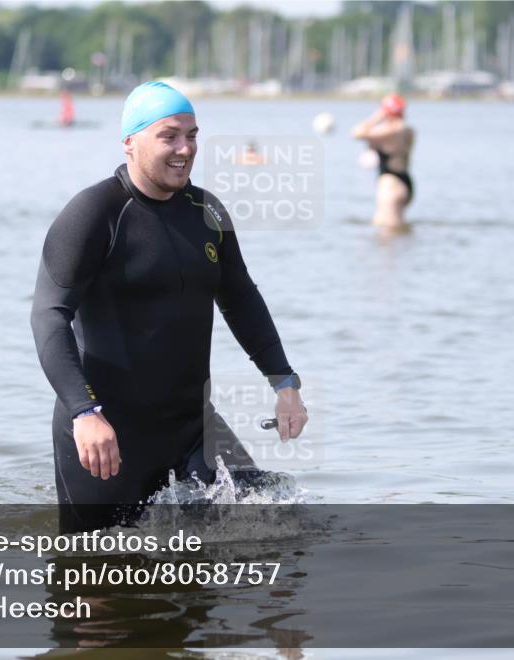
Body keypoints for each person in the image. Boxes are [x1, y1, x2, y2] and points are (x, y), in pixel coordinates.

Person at [31, 81, 307, 532]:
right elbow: (48, 315)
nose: (185, 148)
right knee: (95, 574)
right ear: (129, 142)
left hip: (192, 427)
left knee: (276, 525)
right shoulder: (94, 214)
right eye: (169, 136)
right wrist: (84, 412)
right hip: (107, 433)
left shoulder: (207, 213)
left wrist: (284, 382)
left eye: (192, 135)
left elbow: (241, 299)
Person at [351, 94, 415, 229]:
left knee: (387, 237)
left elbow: (357, 133)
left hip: (391, 185)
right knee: (389, 228)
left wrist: (377, 117)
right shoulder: (408, 130)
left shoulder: (393, 130)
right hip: (404, 181)